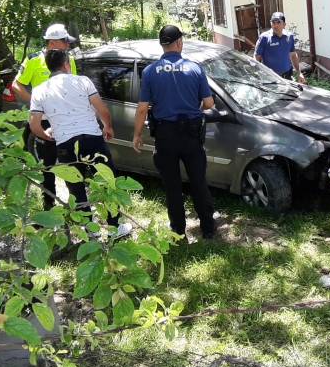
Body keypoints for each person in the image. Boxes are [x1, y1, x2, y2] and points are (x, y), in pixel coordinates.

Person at [28, 48, 131, 238]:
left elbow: (34, 125)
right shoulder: (82, 81)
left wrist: (48, 135)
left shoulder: (40, 90)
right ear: (66, 64)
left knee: (76, 187)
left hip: (65, 144)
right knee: (108, 181)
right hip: (92, 139)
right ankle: (115, 227)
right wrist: (107, 126)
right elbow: (103, 111)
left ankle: (89, 231)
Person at [132, 25, 216, 240]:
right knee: (198, 182)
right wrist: (196, 109)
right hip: (191, 134)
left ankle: (178, 231)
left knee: (172, 186)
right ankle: (208, 229)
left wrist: (137, 134)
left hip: (165, 136)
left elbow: (142, 108)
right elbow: (208, 102)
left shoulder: (150, 71)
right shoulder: (195, 68)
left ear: (162, 45)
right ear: (179, 42)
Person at [12, 23, 77, 210]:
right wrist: (35, 102)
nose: (68, 46)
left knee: (71, 163)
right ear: (54, 42)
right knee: (47, 165)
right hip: (44, 120)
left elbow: (72, 83)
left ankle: (75, 205)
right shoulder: (34, 60)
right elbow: (17, 85)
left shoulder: (68, 59)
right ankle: (48, 205)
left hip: (65, 118)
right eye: (65, 42)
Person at [254, 11, 306, 83]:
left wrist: (299, 73)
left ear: (284, 24)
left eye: (278, 22)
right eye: (273, 22)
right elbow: (257, 57)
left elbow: (293, 54)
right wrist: (258, 74)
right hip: (270, 78)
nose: (275, 25)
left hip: (287, 76)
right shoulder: (264, 38)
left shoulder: (289, 37)